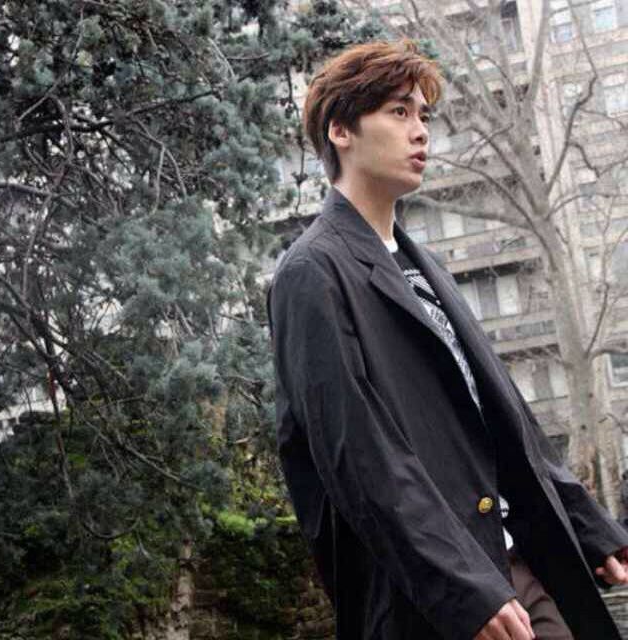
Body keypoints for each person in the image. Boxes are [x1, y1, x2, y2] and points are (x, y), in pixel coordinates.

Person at [266, 38, 628, 640]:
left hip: (515, 566)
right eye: (399, 112)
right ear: (341, 131)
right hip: (432, 599)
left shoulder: (424, 265)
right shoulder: (312, 273)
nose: (421, 132)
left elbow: (504, 420)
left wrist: (588, 525)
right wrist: (461, 587)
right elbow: (359, 456)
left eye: (425, 116)